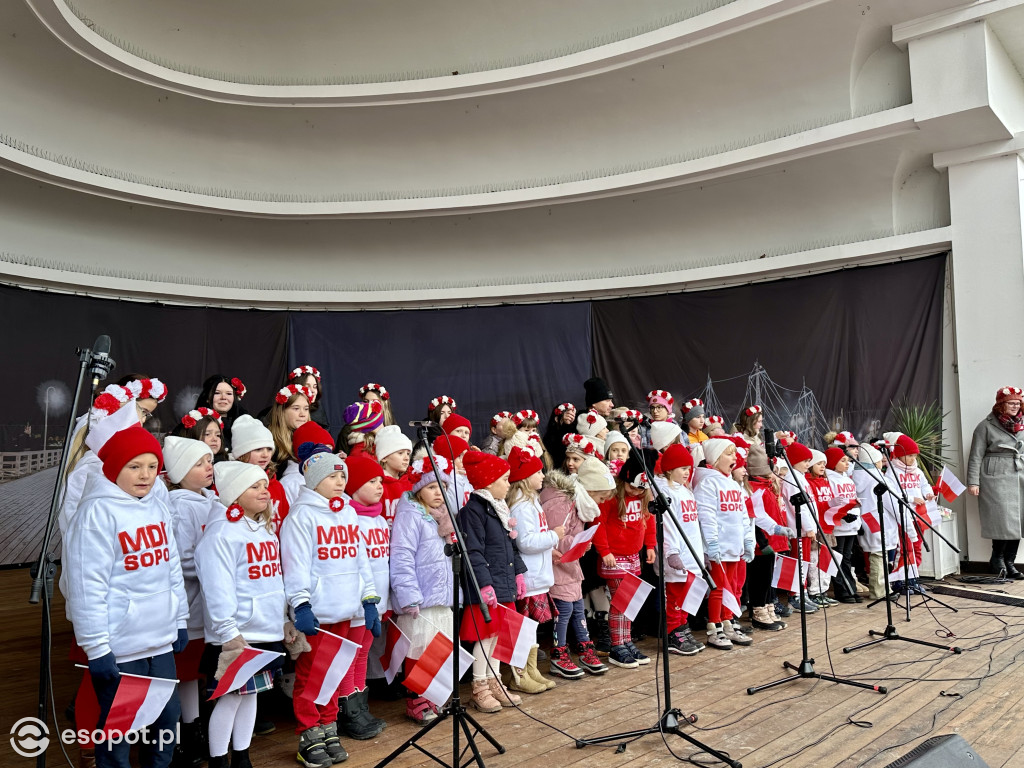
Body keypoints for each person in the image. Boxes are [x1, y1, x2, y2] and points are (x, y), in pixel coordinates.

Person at [65, 425, 187, 768]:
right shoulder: (96, 513)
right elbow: (87, 586)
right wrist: (97, 647)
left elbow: (171, 568)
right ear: (114, 467)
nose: (145, 475)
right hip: (121, 645)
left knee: (166, 722)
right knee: (120, 734)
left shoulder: (157, 507)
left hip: (160, 640)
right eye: (134, 466)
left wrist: (179, 620)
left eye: (152, 466)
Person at [280, 444, 378, 764]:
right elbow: (295, 565)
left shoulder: (347, 510)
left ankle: (328, 725)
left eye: (342, 475)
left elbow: (362, 561)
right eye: (332, 475)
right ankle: (309, 732)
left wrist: (369, 600)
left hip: (348, 609)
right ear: (313, 479)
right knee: (312, 675)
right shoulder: (301, 516)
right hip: (319, 613)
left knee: (335, 674)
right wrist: (302, 604)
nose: (340, 481)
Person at [195, 461, 290, 768]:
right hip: (239, 633)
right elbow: (216, 586)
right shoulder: (222, 533)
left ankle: (242, 756)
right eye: (254, 486)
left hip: (266, 628)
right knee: (231, 696)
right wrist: (227, 631)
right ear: (235, 495)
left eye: (265, 485)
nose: (264, 491)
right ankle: (219, 760)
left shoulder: (263, 530)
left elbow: (274, 582)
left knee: (252, 695)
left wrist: (284, 619)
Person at [163, 436, 220, 765]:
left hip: (207, 607)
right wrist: (213, 568)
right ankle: (181, 734)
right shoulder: (180, 506)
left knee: (194, 672)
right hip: (190, 605)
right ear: (181, 471)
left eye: (209, 461)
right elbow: (182, 559)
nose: (208, 468)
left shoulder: (212, 500)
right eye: (199, 464)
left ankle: (194, 725)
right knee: (182, 672)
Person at [389, 457, 456, 724]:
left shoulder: (444, 518)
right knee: (419, 651)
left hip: (441, 598)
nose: (438, 493)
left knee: (438, 649)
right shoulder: (411, 515)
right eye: (431, 488)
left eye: (442, 487)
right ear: (418, 490)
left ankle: (434, 695)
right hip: (421, 599)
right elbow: (402, 556)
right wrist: (409, 596)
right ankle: (417, 699)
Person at [458, 451, 527, 713]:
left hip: (503, 581)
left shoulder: (498, 508)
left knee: (499, 635)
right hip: (487, 586)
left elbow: (510, 546)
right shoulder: (473, 512)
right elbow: (473, 551)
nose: (508, 484)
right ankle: (479, 686)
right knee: (485, 636)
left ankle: (494, 679)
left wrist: (518, 571)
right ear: (489, 481)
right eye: (505, 479)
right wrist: (484, 584)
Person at [338, 456, 389, 740]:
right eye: (372, 481)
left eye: (381, 480)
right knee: (351, 654)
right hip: (357, 603)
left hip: (376, 602)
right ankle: (349, 711)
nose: (379, 486)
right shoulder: (351, 519)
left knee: (363, 653)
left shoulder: (380, 519)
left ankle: (361, 706)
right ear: (354, 486)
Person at [504, 447, 561, 692]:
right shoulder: (521, 507)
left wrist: (551, 546)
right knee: (523, 628)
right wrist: (553, 536)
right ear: (526, 477)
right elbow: (525, 542)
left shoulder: (532, 503)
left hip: (538, 576)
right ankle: (518, 675)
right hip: (529, 578)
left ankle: (531, 670)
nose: (543, 476)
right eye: (538, 472)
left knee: (532, 628)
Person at [592, 456, 657, 668]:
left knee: (629, 602)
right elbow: (598, 524)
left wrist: (650, 545)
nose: (636, 492)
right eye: (633, 487)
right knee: (620, 603)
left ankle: (626, 640)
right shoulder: (612, 498)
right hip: (614, 557)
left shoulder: (643, 498)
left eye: (641, 490)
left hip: (632, 556)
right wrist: (605, 551)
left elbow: (648, 520)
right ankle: (617, 645)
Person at [693, 438, 754, 649]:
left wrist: (748, 539)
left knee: (733, 587)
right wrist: (711, 543)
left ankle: (728, 621)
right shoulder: (707, 483)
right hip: (719, 548)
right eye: (729, 454)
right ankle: (714, 627)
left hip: (734, 546)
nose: (734, 458)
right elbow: (706, 515)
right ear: (715, 458)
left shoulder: (732, 483)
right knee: (718, 588)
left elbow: (743, 515)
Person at [653, 445, 707, 654]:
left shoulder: (685, 491)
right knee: (674, 597)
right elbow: (667, 525)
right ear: (669, 469)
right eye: (682, 468)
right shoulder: (664, 491)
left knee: (686, 596)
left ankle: (682, 627)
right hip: (675, 556)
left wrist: (701, 553)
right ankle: (673, 632)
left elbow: (693, 525)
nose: (687, 472)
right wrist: (671, 553)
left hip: (691, 554)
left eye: (689, 468)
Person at [968, 386, 1024, 577]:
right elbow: (975, 456)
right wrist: (973, 482)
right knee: (1002, 520)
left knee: (1018, 521)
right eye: (1011, 403)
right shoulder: (985, 426)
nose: (1016, 406)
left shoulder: (1023, 423)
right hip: (995, 477)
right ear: (1001, 405)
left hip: (1020, 473)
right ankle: (997, 559)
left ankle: (1010, 562)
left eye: (1018, 403)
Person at [230, 415, 290, 537]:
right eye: (258, 449)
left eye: (269, 449)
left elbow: (286, 525)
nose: (265, 455)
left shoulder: (276, 485)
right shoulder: (228, 484)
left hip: (273, 552)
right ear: (241, 453)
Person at [824, 448, 862, 603]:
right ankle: (841, 590)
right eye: (842, 460)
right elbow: (830, 502)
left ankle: (850, 588)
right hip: (838, 525)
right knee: (837, 558)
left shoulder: (848, 479)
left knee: (847, 558)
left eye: (847, 460)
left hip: (851, 525)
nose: (847, 463)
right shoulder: (829, 480)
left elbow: (851, 498)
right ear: (833, 463)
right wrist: (843, 514)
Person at [268, 384, 314, 489]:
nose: (303, 414)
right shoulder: (270, 442)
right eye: (296, 408)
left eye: (306, 409)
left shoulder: (315, 437)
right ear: (282, 411)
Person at [195, 375, 247, 451]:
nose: (223, 397)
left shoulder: (244, 424)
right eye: (217, 393)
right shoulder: (194, 423)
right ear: (207, 398)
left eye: (229, 394)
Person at [376, 425, 413, 526]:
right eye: (400, 453)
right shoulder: (378, 484)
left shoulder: (411, 482)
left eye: (408, 453)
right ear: (384, 457)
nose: (406, 458)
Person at [289, 366, 328, 432]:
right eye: (307, 386)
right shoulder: (285, 409)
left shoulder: (318, 408)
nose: (313, 391)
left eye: (315, 387)